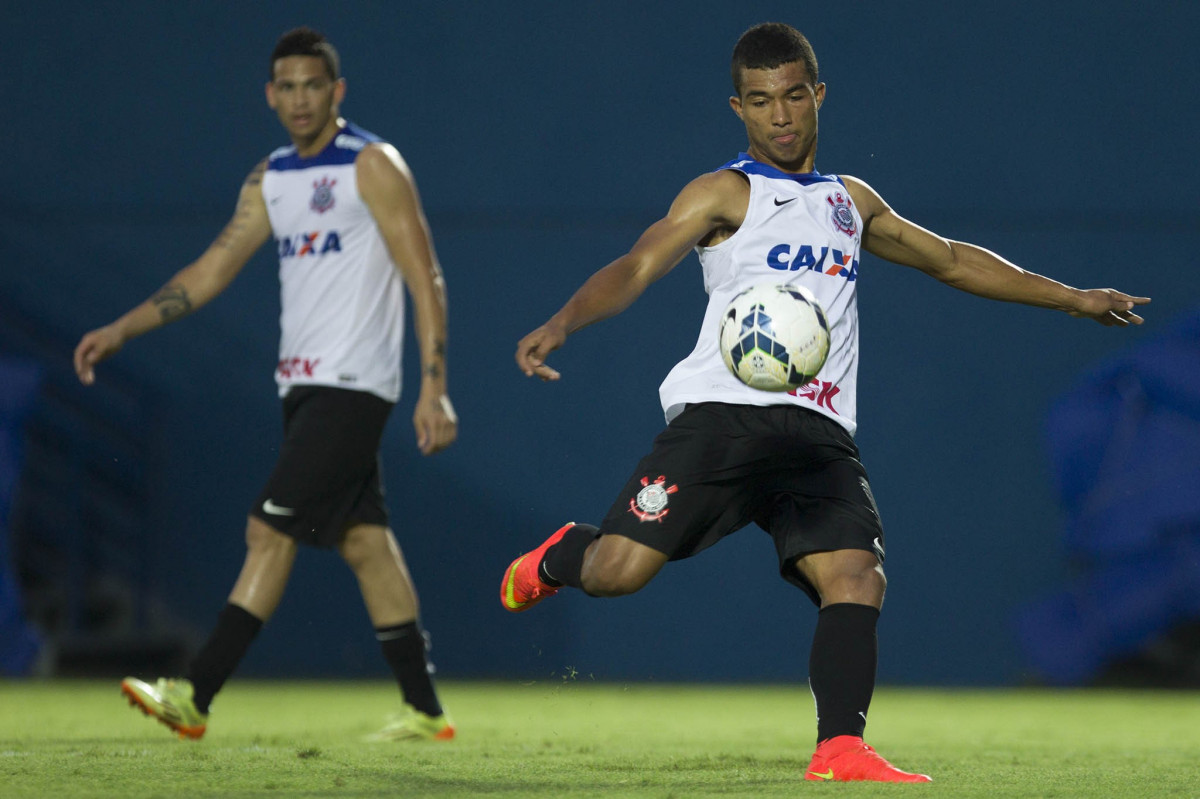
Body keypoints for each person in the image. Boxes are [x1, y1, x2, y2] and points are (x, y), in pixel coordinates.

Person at [500, 22, 1149, 783]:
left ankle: (840, 746)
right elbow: (639, 263)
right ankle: (557, 557)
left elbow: (949, 260)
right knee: (618, 571)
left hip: (817, 431)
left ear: (818, 96)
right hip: (721, 419)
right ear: (738, 107)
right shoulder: (725, 192)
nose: (780, 115)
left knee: (856, 573)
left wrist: (1073, 298)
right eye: (761, 100)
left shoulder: (851, 202)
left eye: (794, 96)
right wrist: (563, 321)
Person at [73, 27, 458, 742]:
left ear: (336, 91)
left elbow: (424, 275)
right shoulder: (272, 178)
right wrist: (123, 328)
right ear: (271, 95)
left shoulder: (372, 164)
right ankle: (425, 710)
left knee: (266, 529)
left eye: (315, 85)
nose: (301, 98)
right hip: (302, 389)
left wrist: (433, 387)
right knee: (365, 542)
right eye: (288, 87)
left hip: (354, 385)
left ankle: (196, 692)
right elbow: (210, 270)